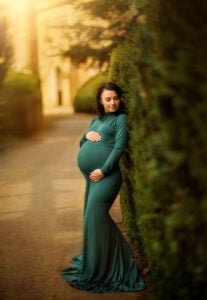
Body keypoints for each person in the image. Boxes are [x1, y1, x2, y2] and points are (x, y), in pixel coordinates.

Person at [61, 82, 146, 293]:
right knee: (90, 218)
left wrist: (104, 170)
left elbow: (119, 147)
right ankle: (98, 259)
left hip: (107, 177)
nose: (112, 102)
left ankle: (122, 264)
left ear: (120, 99)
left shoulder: (121, 119)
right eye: (107, 99)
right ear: (100, 100)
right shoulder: (96, 119)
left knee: (95, 216)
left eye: (115, 98)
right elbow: (84, 143)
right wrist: (85, 136)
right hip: (91, 178)